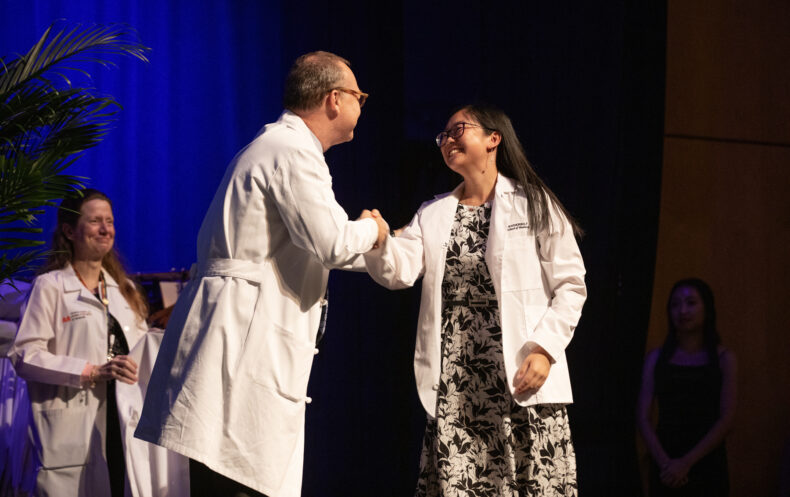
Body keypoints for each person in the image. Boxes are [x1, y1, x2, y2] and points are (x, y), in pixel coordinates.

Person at [134, 51, 388, 497]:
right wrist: (374, 227)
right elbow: (331, 242)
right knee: (237, 480)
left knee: (233, 474)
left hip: (236, 328)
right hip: (242, 339)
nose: (359, 106)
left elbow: (317, 245)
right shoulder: (292, 152)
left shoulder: (278, 146)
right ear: (333, 99)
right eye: (358, 96)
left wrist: (388, 249)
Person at [363, 104, 587, 496]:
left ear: (493, 138)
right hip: (458, 385)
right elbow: (398, 271)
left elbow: (571, 285)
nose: (448, 140)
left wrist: (546, 350)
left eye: (458, 130)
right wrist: (378, 239)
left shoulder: (533, 203)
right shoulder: (432, 214)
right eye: (442, 136)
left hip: (521, 377)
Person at [7, 189, 187, 497]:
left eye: (109, 221)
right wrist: (90, 371)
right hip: (71, 427)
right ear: (69, 231)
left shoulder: (125, 290)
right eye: (94, 221)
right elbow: (25, 354)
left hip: (123, 424)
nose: (105, 230)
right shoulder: (50, 287)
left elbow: (142, 352)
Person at [637, 278, 736, 496]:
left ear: (707, 308)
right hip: (664, 458)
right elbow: (643, 417)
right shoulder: (656, 358)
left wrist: (687, 462)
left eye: (691, 303)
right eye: (675, 304)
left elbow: (727, 418)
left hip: (707, 460)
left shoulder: (724, 359)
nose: (682, 310)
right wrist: (665, 463)